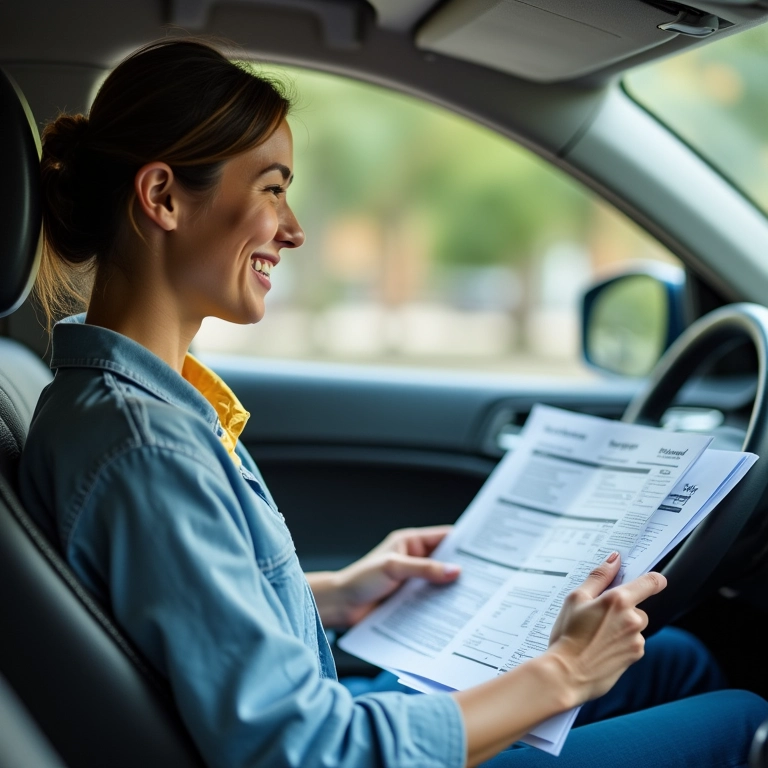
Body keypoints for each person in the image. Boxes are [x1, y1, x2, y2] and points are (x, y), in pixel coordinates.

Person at [18, 38, 767, 768]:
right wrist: (563, 672)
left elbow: (186, 609)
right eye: (273, 187)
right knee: (742, 723)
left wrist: (339, 596)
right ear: (162, 197)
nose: (294, 228)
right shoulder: (144, 447)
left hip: (322, 716)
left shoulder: (125, 406)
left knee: (671, 661)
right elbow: (301, 747)